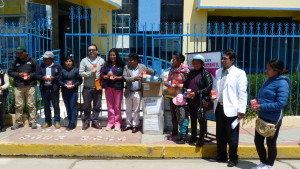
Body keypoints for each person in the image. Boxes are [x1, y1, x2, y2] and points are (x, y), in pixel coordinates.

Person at [251, 59, 289, 169]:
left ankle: (269, 165)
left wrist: (261, 106)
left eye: (268, 69)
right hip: (262, 116)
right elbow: (264, 96)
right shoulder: (268, 80)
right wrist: (257, 103)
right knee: (258, 141)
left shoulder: (282, 83)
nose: (266, 70)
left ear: (276, 70)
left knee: (270, 143)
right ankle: (263, 163)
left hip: (273, 118)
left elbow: (280, 103)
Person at [212, 49, 248, 167]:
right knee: (220, 134)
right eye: (222, 58)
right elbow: (215, 87)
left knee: (232, 136)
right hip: (219, 107)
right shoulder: (218, 72)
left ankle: (233, 158)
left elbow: (243, 92)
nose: (222, 61)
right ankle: (221, 155)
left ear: (232, 60)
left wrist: (241, 110)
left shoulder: (239, 73)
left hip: (232, 109)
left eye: (225, 59)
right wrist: (213, 95)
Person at [184, 55, 213, 146]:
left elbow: (209, 87)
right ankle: (193, 136)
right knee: (192, 118)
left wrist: (196, 93)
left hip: (201, 100)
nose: (195, 64)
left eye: (197, 63)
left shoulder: (205, 73)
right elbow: (186, 84)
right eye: (194, 63)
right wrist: (186, 92)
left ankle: (201, 139)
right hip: (191, 100)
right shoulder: (191, 73)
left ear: (202, 63)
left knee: (201, 119)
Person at [122, 53, 155, 133]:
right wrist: (134, 79)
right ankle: (128, 124)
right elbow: (124, 78)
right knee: (128, 109)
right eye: (129, 60)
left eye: (131, 60)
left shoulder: (142, 66)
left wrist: (147, 70)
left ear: (136, 61)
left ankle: (135, 125)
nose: (130, 61)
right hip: (129, 91)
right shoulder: (126, 67)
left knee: (136, 110)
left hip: (138, 91)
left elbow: (153, 72)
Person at [8, 46, 39, 130]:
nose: (19, 54)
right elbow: (10, 72)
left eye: (21, 53)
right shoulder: (15, 61)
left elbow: (37, 72)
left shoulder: (33, 61)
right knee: (18, 105)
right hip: (18, 86)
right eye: (18, 53)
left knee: (31, 104)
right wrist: (18, 74)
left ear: (25, 52)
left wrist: (30, 76)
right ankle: (18, 122)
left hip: (30, 85)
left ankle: (32, 121)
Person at [79, 44, 105, 130]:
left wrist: (102, 83)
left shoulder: (101, 61)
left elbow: (104, 72)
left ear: (97, 51)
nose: (91, 52)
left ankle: (95, 121)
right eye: (89, 50)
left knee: (97, 105)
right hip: (87, 86)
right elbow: (81, 73)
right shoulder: (84, 61)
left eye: (93, 50)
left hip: (98, 87)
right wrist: (90, 73)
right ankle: (86, 121)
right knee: (86, 105)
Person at [164, 53, 190, 137]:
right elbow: (168, 80)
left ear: (179, 61)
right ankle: (174, 131)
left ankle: (183, 133)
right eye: (172, 59)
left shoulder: (185, 70)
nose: (172, 61)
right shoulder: (171, 70)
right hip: (171, 95)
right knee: (173, 114)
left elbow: (189, 84)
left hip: (181, 96)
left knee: (182, 115)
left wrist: (179, 86)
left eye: (174, 59)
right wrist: (166, 83)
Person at [101, 48, 125, 131]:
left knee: (117, 106)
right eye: (111, 55)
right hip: (108, 87)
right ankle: (110, 123)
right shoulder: (106, 64)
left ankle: (118, 123)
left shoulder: (121, 64)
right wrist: (106, 76)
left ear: (116, 55)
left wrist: (117, 77)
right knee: (110, 105)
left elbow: (125, 76)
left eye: (114, 55)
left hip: (118, 87)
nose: (112, 56)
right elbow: (101, 75)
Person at [37, 51, 62, 129]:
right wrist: (42, 77)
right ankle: (48, 121)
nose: (44, 59)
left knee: (56, 105)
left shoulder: (57, 66)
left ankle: (57, 121)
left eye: (46, 58)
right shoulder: (41, 66)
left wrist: (53, 78)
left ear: (51, 59)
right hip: (44, 88)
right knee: (46, 106)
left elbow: (61, 76)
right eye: (44, 58)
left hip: (54, 88)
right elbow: (37, 75)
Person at [58, 56, 82, 131]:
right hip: (65, 91)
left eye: (70, 61)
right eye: (67, 61)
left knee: (73, 107)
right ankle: (70, 120)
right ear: (64, 63)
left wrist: (74, 85)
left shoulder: (76, 70)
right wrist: (64, 84)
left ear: (72, 62)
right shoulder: (62, 70)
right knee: (67, 107)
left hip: (73, 91)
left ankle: (72, 123)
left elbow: (80, 81)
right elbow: (59, 80)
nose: (68, 63)